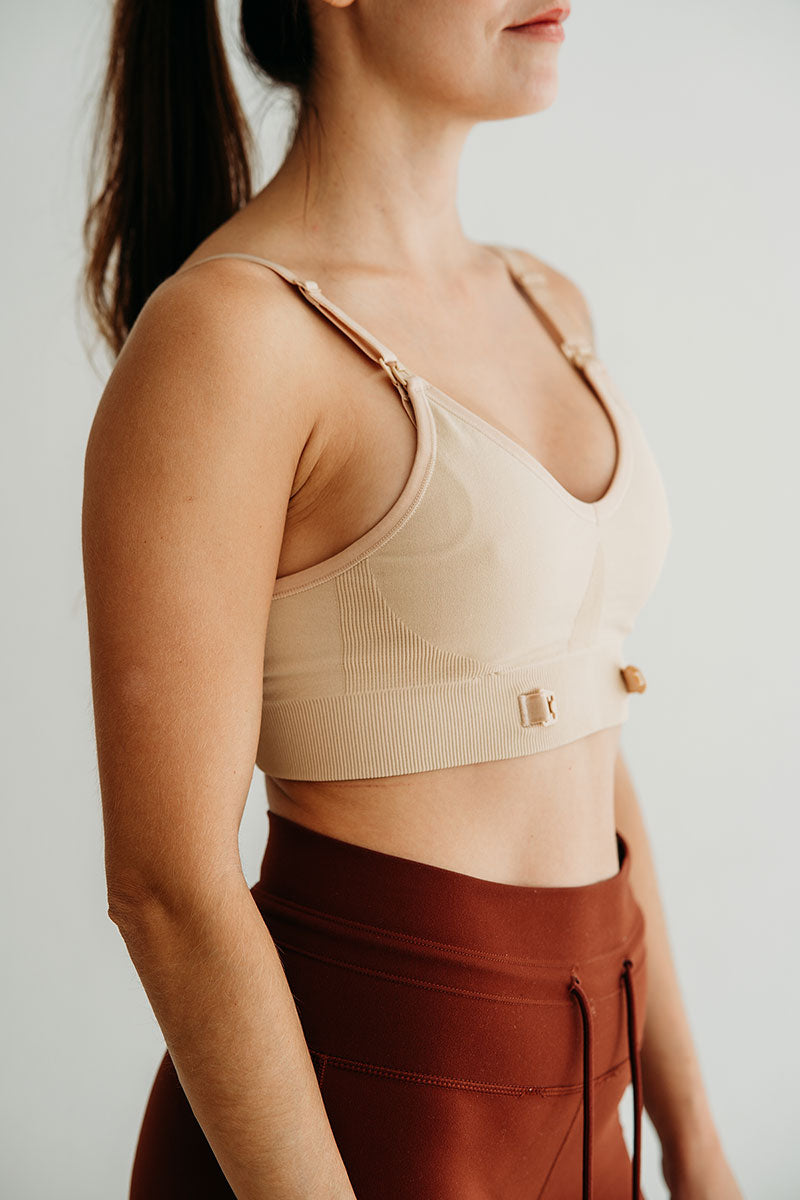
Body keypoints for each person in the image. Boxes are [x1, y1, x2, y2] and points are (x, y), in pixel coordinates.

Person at [80, 2, 743, 1198]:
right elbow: (167, 885)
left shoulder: (547, 300)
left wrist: (690, 1136)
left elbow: (585, 734)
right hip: (370, 1108)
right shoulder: (227, 339)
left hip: (592, 1092)